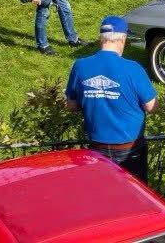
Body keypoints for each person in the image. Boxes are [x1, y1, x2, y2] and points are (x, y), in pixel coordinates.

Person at [65, 15, 157, 181]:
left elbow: (71, 105)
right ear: (122, 39)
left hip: (96, 147)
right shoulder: (133, 68)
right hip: (130, 149)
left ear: (102, 38)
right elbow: (151, 106)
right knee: (133, 192)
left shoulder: (80, 65)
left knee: (102, 192)